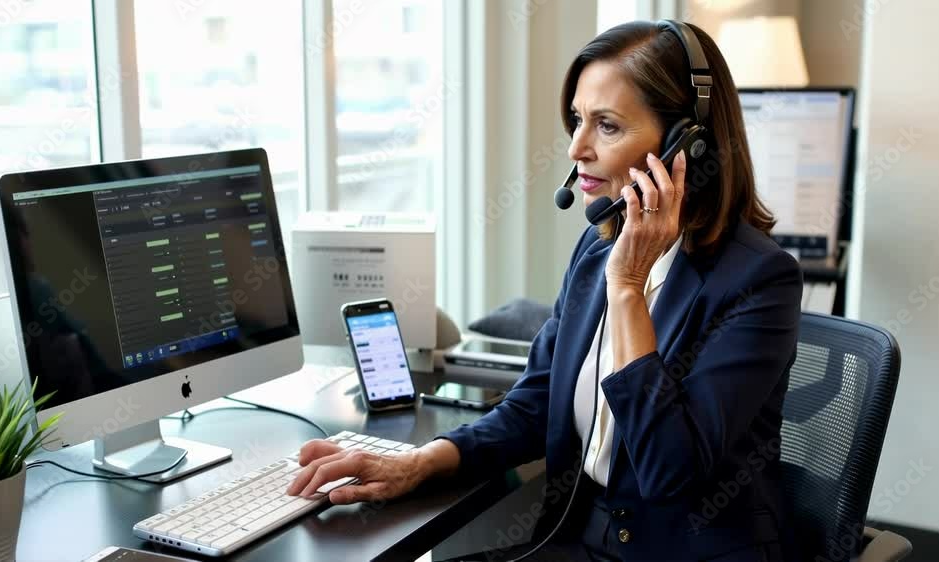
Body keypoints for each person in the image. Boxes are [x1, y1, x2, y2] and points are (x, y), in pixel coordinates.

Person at [288, 20, 802, 561]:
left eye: (607, 126)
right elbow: (535, 404)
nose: (577, 147)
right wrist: (419, 462)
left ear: (686, 146)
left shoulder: (758, 281)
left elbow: (668, 471)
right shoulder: (595, 251)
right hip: (581, 540)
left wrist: (628, 291)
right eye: (578, 120)